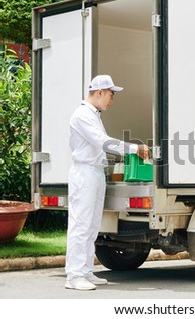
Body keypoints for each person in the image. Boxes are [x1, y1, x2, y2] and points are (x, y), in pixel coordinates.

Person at [65, 74, 150, 291]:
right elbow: (103, 143)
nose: (112, 100)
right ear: (100, 92)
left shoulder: (94, 115)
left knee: (92, 225)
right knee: (81, 225)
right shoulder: (83, 114)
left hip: (94, 173)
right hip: (84, 173)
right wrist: (134, 148)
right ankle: (74, 276)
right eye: (111, 94)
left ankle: (85, 272)